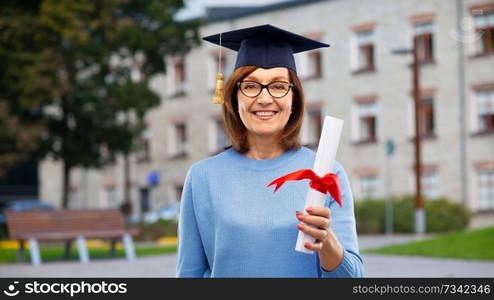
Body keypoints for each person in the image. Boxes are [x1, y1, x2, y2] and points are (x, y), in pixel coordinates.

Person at [176, 24, 364, 278]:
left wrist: (326, 240)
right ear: (234, 97)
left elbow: (352, 280)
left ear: (293, 98)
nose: (264, 99)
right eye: (251, 86)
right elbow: (189, 274)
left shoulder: (326, 172)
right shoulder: (202, 177)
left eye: (278, 86)